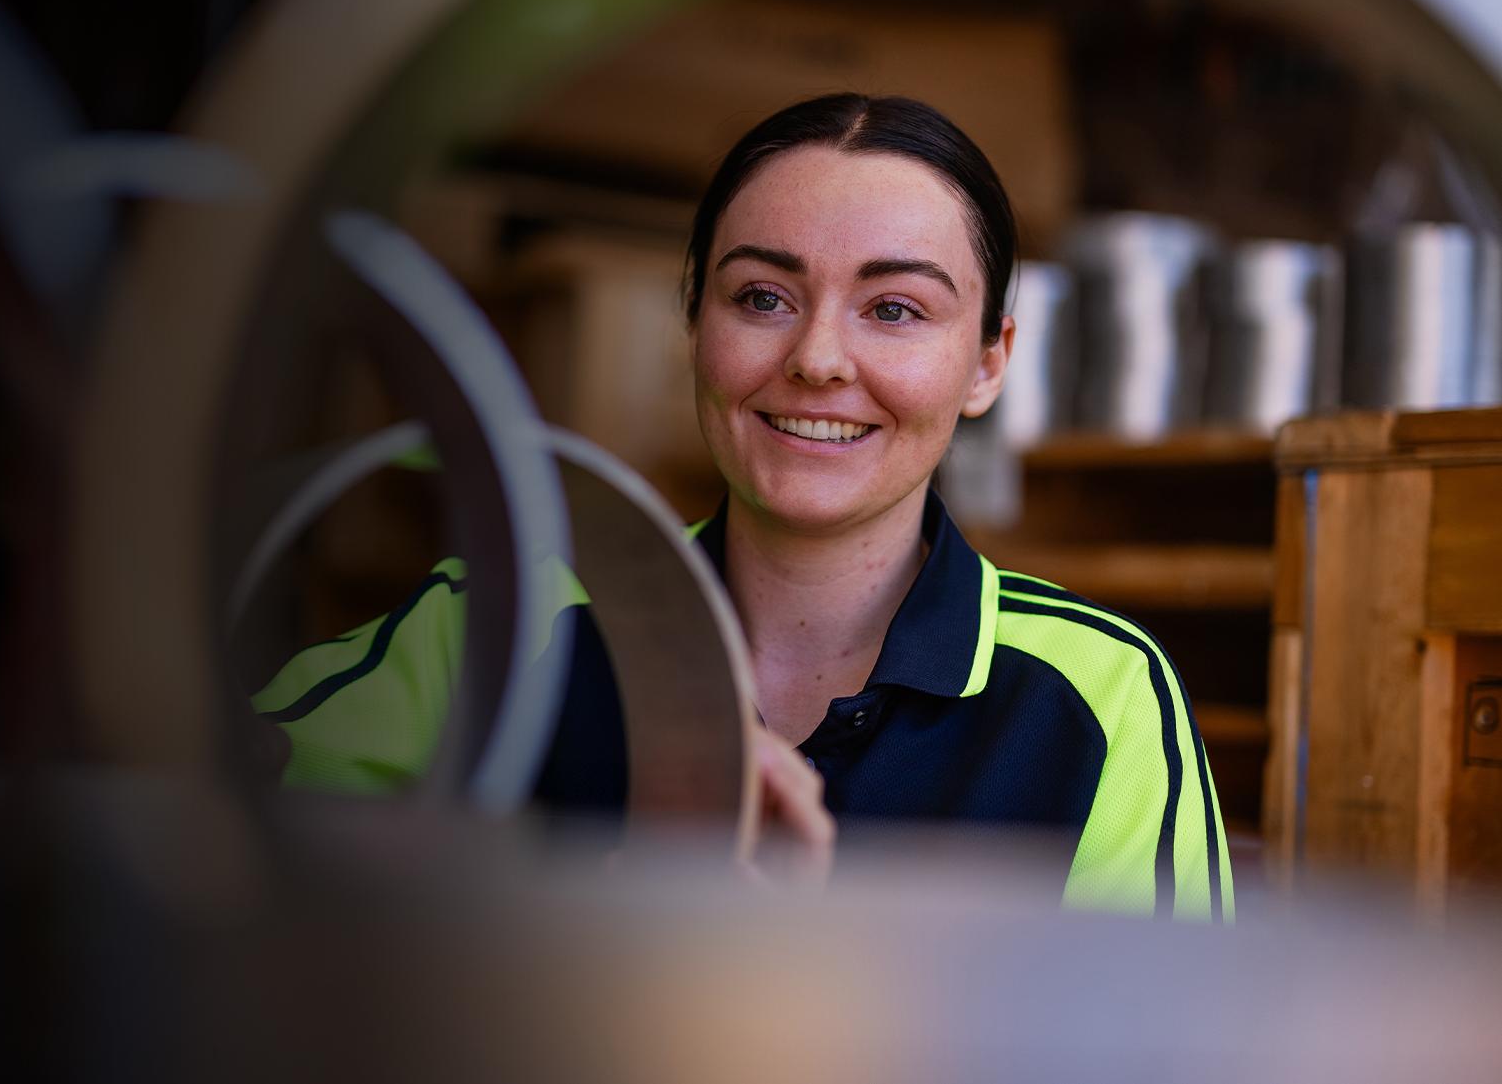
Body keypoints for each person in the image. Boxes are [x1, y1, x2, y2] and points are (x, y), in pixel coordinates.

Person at [252, 93, 1233, 922]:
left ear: (988, 362)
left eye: (893, 308)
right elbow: (180, 868)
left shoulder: (1098, 698)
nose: (814, 358)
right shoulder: (497, 622)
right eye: (762, 296)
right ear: (695, 322)